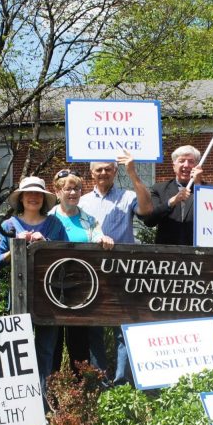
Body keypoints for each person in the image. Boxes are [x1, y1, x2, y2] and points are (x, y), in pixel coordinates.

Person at [77, 150, 155, 386]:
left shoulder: (128, 196)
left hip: (123, 271)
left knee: (124, 328)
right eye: (98, 169)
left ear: (115, 171)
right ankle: (100, 380)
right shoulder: (81, 202)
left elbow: (147, 209)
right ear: (91, 173)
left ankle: (121, 382)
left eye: (108, 169)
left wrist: (133, 173)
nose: (103, 173)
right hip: (92, 272)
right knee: (95, 328)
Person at [0, 176, 67, 396]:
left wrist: (46, 244)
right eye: (29, 194)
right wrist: (17, 245)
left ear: (44, 199)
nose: (33, 198)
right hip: (18, 298)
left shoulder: (55, 224)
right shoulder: (8, 225)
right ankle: (21, 402)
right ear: (21, 198)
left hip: (48, 297)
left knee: (46, 350)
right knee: (18, 350)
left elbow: (65, 259)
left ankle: (44, 401)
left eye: (38, 195)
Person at [49, 169, 114, 375]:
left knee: (79, 344)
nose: (73, 193)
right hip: (51, 290)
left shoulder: (90, 220)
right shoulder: (48, 218)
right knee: (52, 343)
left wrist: (104, 240)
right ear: (57, 191)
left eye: (77, 188)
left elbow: (98, 238)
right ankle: (51, 394)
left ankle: (80, 395)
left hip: (81, 291)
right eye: (68, 189)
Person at [140, 145, 205, 246]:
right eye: (182, 161)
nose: (186, 165)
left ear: (197, 166)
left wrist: (198, 186)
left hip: (200, 252)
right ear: (174, 165)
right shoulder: (159, 189)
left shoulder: (209, 189)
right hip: (168, 253)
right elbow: (149, 221)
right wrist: (172, 201)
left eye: (191, 161)